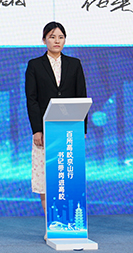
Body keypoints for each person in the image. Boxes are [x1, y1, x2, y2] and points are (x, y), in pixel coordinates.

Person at [24, 21, 87, 218]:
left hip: (69, 130)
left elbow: (81, 96)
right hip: (45, 129)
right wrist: (37, 130)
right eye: (52, 37)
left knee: (68, 176)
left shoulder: (74, 64)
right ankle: (51, 222)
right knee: (45, 178)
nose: (57, 41)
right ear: (44, 40)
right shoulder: (34, 65)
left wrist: (82, 129)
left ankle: (69, 221)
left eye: (60, 37)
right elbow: (32, 99)